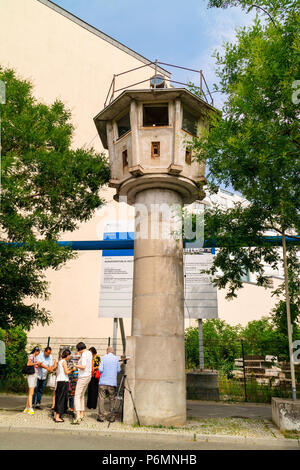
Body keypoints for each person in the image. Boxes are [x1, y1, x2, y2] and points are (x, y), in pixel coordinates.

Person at [97, 346, 121, 423]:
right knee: (112, 399)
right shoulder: (116, 358)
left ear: (107, 351)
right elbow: (118, 370)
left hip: (103, 381)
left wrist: (103, 373)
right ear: (113, 352)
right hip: (112, 382)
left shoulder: (103, 357)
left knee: (101, 398)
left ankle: (101, 417)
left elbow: (100, 369)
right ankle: (111, 417)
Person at [71, 342, 92, 425]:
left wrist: (75, 365)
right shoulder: (89, 353)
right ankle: (82, 414)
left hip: (83, 377)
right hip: (88, 376)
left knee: (77, 395)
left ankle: (78, 416)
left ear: (79, 349)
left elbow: (83, 366)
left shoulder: (84, 355)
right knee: (82, 396)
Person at [54, 349, 75, 423]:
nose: (69, 357)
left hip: (59, 381)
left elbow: (63, 370)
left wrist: (69, 368)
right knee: (61, 399)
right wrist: (72, 370)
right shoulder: (64, 362)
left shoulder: (60, 361)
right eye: (69, 355)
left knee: (58, 398)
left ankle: (55, 414)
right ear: (67, 355)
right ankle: (57, 417)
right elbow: (66, 372)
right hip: (63, 381)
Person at [24, 346, 41, 415]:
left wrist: (37, 364)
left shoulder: (34, 357)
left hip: (34, 374)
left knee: (31, 392)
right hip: (31, 375)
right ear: (36, 351)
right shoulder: (31, 356)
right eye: (38, 352)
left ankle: (27, 407)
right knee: (31, 392)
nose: (38, 353)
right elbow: (28, 364)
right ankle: (30, 408)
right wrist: (36, 363)